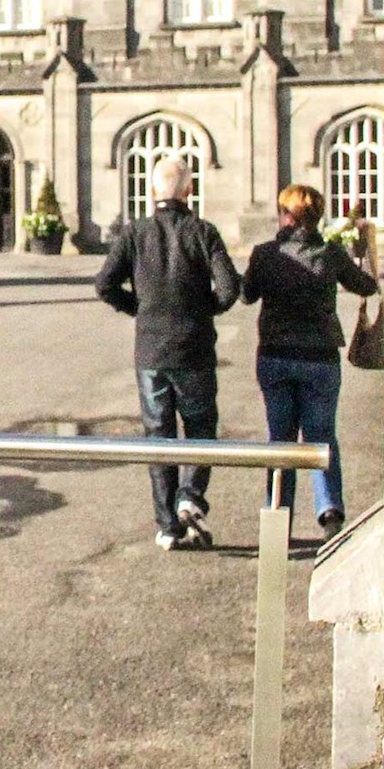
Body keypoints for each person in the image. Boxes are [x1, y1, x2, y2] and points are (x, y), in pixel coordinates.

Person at [95, 156, 240, 549]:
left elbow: (104, 284)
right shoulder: (203, 232)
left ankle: (167, 527)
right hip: (193, 348)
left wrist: (139, 309)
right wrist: (199, 310)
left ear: (153, 190)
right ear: (189, 191)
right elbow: (229, 290)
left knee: (158, 435)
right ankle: (190, 497)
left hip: (152, 351)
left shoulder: (135, 233)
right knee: (200, 427)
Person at [240, 184, 380, 537]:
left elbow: (245, 295)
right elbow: (366, 286)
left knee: (281, 440)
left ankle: (277, 517)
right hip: (320, 357)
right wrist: (361, 249)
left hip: (276, 355)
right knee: (321, 436)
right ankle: (329, 510)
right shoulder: (330, 253)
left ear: (287, 216)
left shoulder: (265, 253)